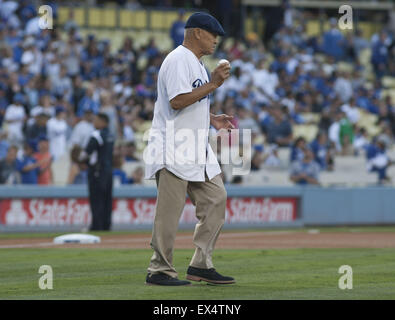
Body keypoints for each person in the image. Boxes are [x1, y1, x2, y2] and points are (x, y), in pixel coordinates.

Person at [144, 12, 235, 286]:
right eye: (212, 34)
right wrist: (214, 84)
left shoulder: (196, 63)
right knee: (169, 213)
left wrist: (211, 117)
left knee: (216, 198)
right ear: (197, 32)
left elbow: (191, 100)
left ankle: (200, 264)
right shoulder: (177, 59)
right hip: (173, 146)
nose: (216, 40)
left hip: (196, 147)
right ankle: (159, 270)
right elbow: (176, 101)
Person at [79, 113, 114, 231]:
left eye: (96, 120)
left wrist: (80, 159)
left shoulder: (96, 135)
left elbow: (85, 154)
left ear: (103, 122)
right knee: (107, 199)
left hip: (97, 171)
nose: (94, 122)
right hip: (108, 171)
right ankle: (106, 225)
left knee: (96, 199)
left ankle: (97, 226)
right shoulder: (110, 135)